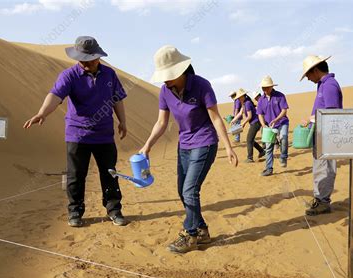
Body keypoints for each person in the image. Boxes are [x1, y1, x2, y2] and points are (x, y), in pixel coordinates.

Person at [140, 45, 238, 253]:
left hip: (204, 142)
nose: (165, 80)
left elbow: (216, 118)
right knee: (182, 192)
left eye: (169, 75)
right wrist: (147, 146)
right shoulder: (165, 91)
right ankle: (202, 230)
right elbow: (161, 123)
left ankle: (189, 234)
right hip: (184, 145)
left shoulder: (202, 85)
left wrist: (229, 147)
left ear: (181, 70)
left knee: (190, 190)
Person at [23, 36, 128, 227]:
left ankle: (114, 210)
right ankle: (75, 212)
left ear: (98, 57)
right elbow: (55, 95)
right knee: (75, 176)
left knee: (110, 174)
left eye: (89, 58)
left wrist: (122, 121)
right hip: (77, 134)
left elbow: (118, 98)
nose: (86, 63)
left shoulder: (110, 75)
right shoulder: (69, 75)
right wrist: (42, 113)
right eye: (82, 59)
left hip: (104, 134)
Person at [300, 55, 343, 215]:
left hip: (328, 135)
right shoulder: (322, 85)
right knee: (320, 167)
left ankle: (323, 202)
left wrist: (310, 119)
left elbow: (330, 113)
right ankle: (320, 199)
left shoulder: (330, 85)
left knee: (326, 168)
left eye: (308, 75)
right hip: (321, 133)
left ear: (315, 70)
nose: (308, 79)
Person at [257, 76, 290, 176]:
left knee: (283, 138)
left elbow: (284, 110)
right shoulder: (261, 100)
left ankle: (283, 156)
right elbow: (260, 114)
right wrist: (263, 125)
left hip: (282, 122)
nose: (265, 90)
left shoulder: (280, 96)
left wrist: (276, 119)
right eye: (263, 88)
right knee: (268, 147)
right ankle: (268, 168)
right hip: (270, 127)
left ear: (271, 86)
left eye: (267, 87)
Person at [232, 88, 264, 163]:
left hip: (256, 123)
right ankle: (261, 151)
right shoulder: (243, 103)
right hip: (253, 123)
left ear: (243, 96)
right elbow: (240, 113)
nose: (238, 99)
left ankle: (250, 158)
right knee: (251, 139)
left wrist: (243, 123)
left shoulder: (248, 103)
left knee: (249, 140)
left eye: (239, 97)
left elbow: (249, 116)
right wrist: (233, 120)